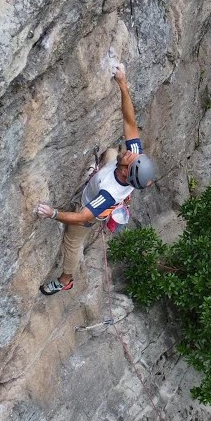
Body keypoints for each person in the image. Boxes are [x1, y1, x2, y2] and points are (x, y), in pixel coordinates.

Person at [35, 61, 158, 295]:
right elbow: (129, 122)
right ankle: (98, 169)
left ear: (126, 172)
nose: (129, 152)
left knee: (72, 241)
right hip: (107, 175)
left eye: (129, 158)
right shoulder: (133, 159)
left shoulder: (108, 194)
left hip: (90, 206)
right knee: (112, 153)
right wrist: (122, 84)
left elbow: (83, 216)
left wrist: (53, 214)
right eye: (132, 154)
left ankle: (65, 280)